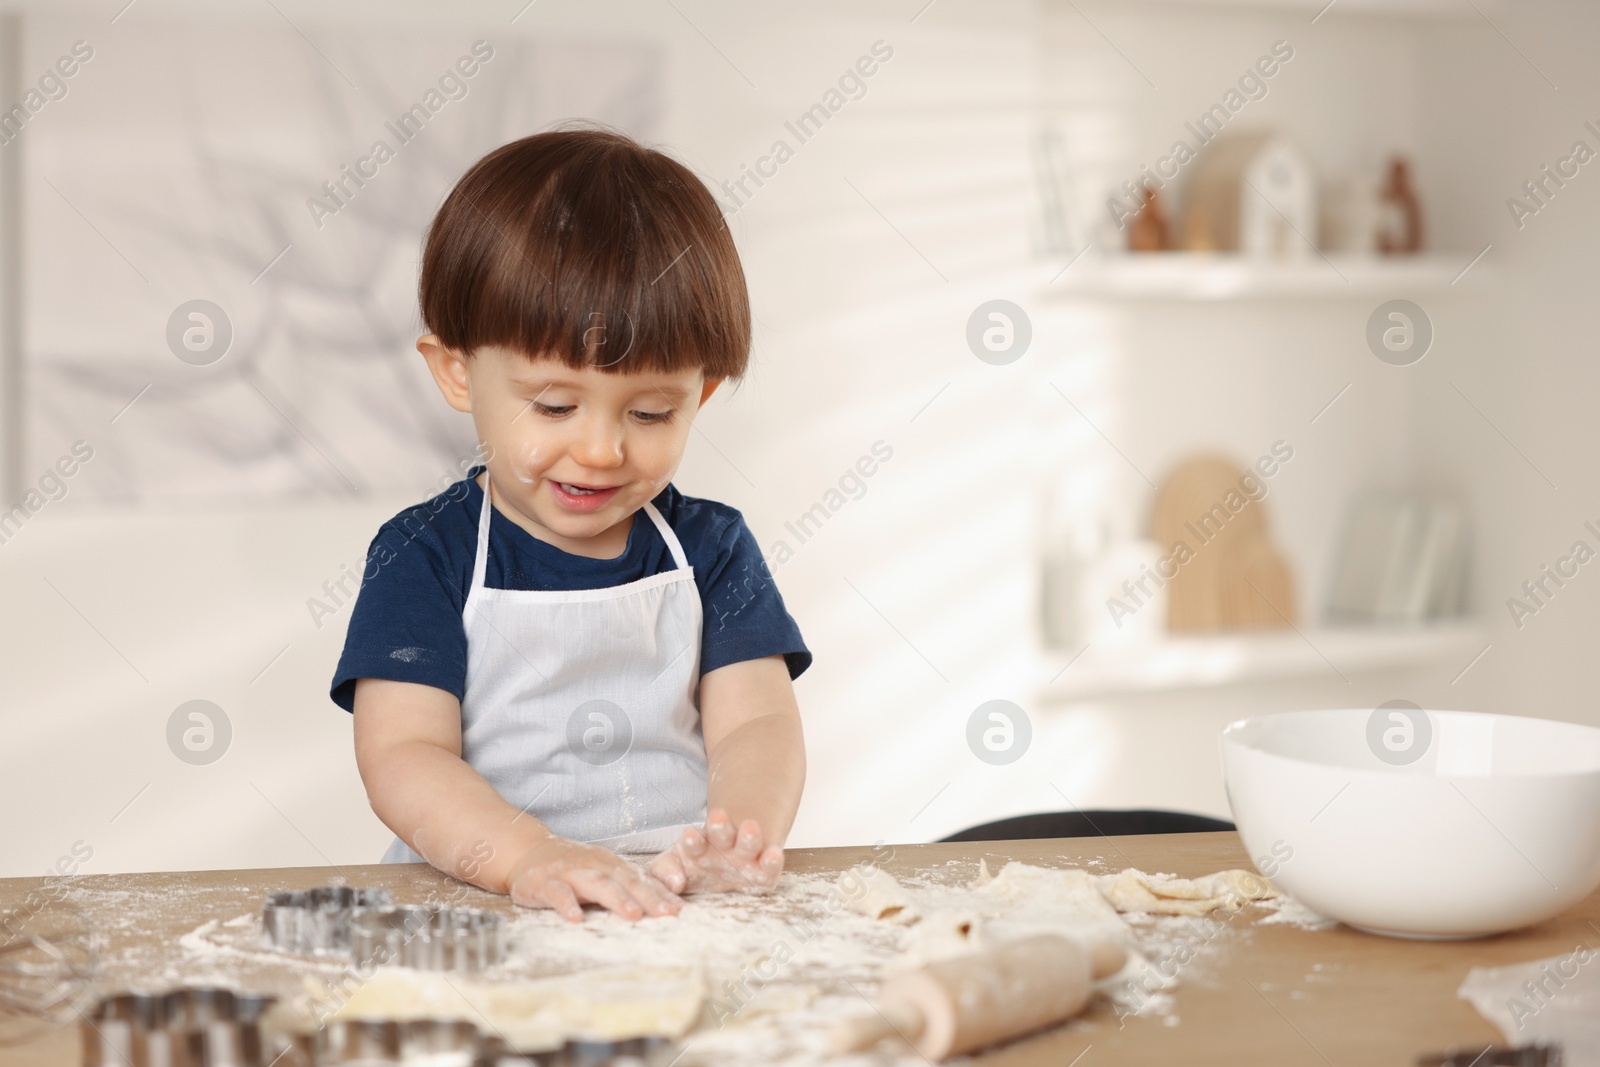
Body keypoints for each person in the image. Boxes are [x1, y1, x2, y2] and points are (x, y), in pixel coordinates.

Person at [329, 126, 810, 923]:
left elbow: (757, 722)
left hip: (671, 900)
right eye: (553, 405)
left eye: (652, 411)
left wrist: (740, 834)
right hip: (479, 900)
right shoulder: (426, 555)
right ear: (456, 372)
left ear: (704, 393)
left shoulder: (712, 551)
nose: (600, 449)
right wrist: (528, 856)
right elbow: (403, 755)